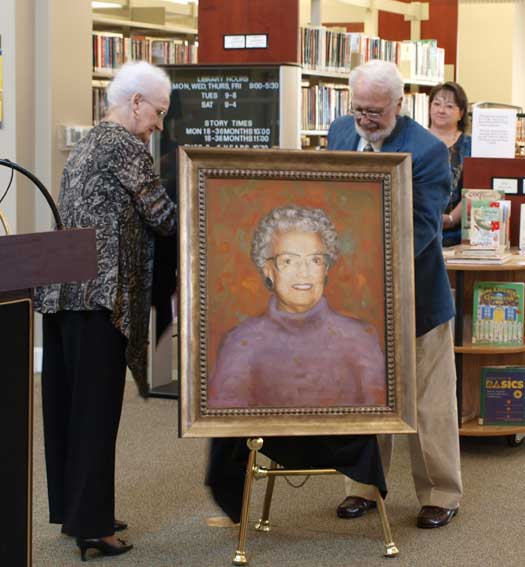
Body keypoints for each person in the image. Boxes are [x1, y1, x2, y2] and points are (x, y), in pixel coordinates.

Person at [34, 61, 177, 561]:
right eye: (158, 112)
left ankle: (80, 511)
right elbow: (162, 216)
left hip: (63, 295)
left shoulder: (90, 143)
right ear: (136, 102)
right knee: (96, 416)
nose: (159, 123)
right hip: (101, 299)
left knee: (69, 412)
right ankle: (94, 527)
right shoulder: (123, 145)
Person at [328, 59, 462, 529]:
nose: (364, 119)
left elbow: (421, 229)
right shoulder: (339, 133)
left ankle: (440, 493)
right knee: (364, 392)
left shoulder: (427, 152)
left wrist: (358, 256)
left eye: (375, 112)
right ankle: (362, 485)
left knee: (429, 401)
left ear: (400, 105)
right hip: (353, 298)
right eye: (358, 109)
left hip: (417, 297)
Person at [208, 204, 386, 409]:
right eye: (289, 261)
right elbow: (225, 419)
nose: (303, 272)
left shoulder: (360, 338)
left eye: (315, 260)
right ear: (268, 270)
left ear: (325, 269)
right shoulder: (240, 342)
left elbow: (378, 413)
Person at [429, 81, 472, 246]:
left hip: (458, 235)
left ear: (461, 113)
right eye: (436, 104)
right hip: (420, 230)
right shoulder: (415, 141)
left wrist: (452, 218)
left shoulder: (471, 145)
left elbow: (475, 188)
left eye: (449, 106)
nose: (441, 110)